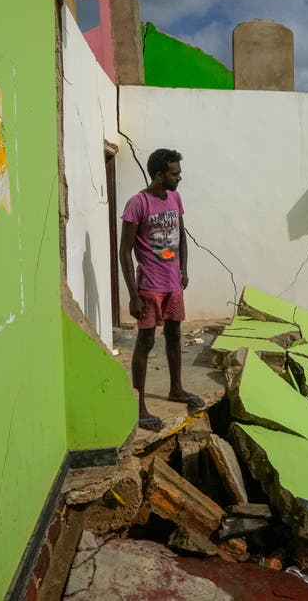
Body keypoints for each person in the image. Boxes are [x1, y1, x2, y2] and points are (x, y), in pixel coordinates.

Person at [119, 148, 203, 431]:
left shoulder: (175, 198)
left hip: (172, 285)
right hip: (149, 287)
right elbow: (124, 252)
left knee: (175, 336)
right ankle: (139, 406)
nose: (179, 178)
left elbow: (182, 237)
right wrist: (133, 295)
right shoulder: (137, 204)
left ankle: (176, 389)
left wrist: (184, 270)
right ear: (158, 175)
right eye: (174, 173)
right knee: (145, 343)